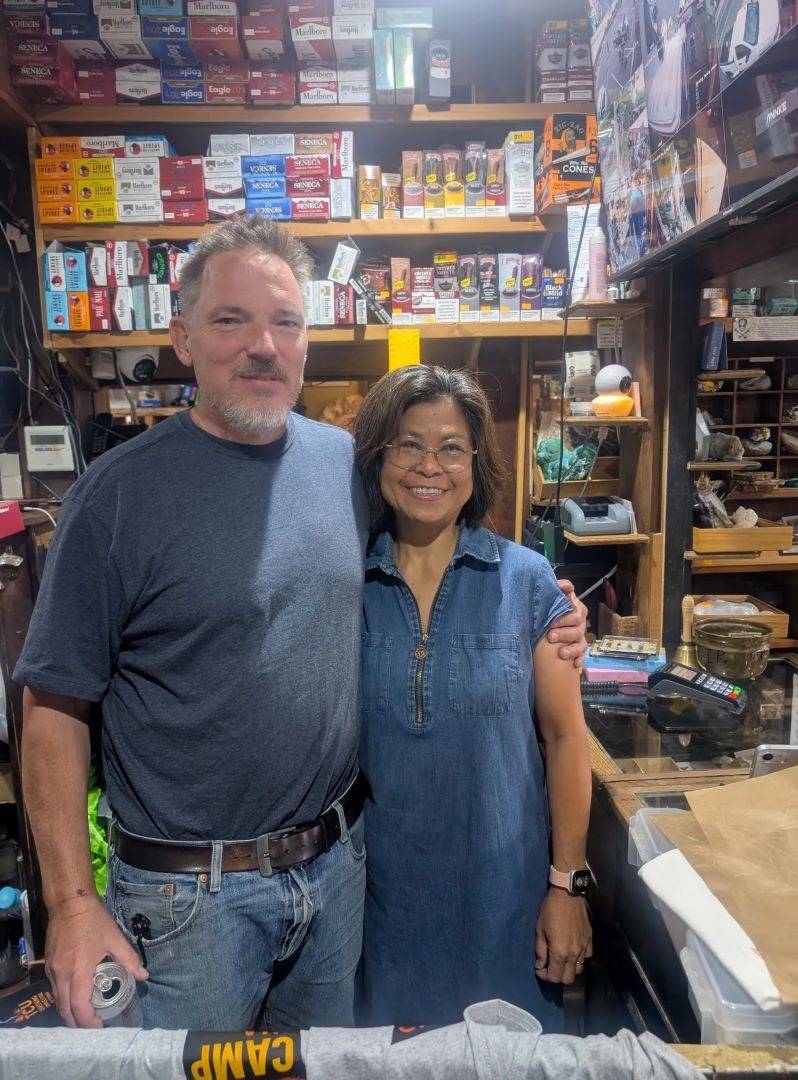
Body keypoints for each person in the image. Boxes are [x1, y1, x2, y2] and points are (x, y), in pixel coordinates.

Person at [15, 218, 588, 1032]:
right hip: (189, 901)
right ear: (182, 337)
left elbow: (435, 542)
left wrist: (550, 608)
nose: (262, 346)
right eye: (231, 320)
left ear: (306, 342)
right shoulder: (115, 497)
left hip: (335, 878)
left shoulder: (341, 467)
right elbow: (52, 706)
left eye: (284, 321)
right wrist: (72, 903)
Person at [353, 366, 593, 1029]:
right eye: (408, 445)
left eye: (451, 447)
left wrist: (567, 884)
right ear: (378, 459)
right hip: (380, 910)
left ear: (475, 462)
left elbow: (565, 739)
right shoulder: (345, 582)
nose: (429, 466)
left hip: (506, 905)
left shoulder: (526, 581)